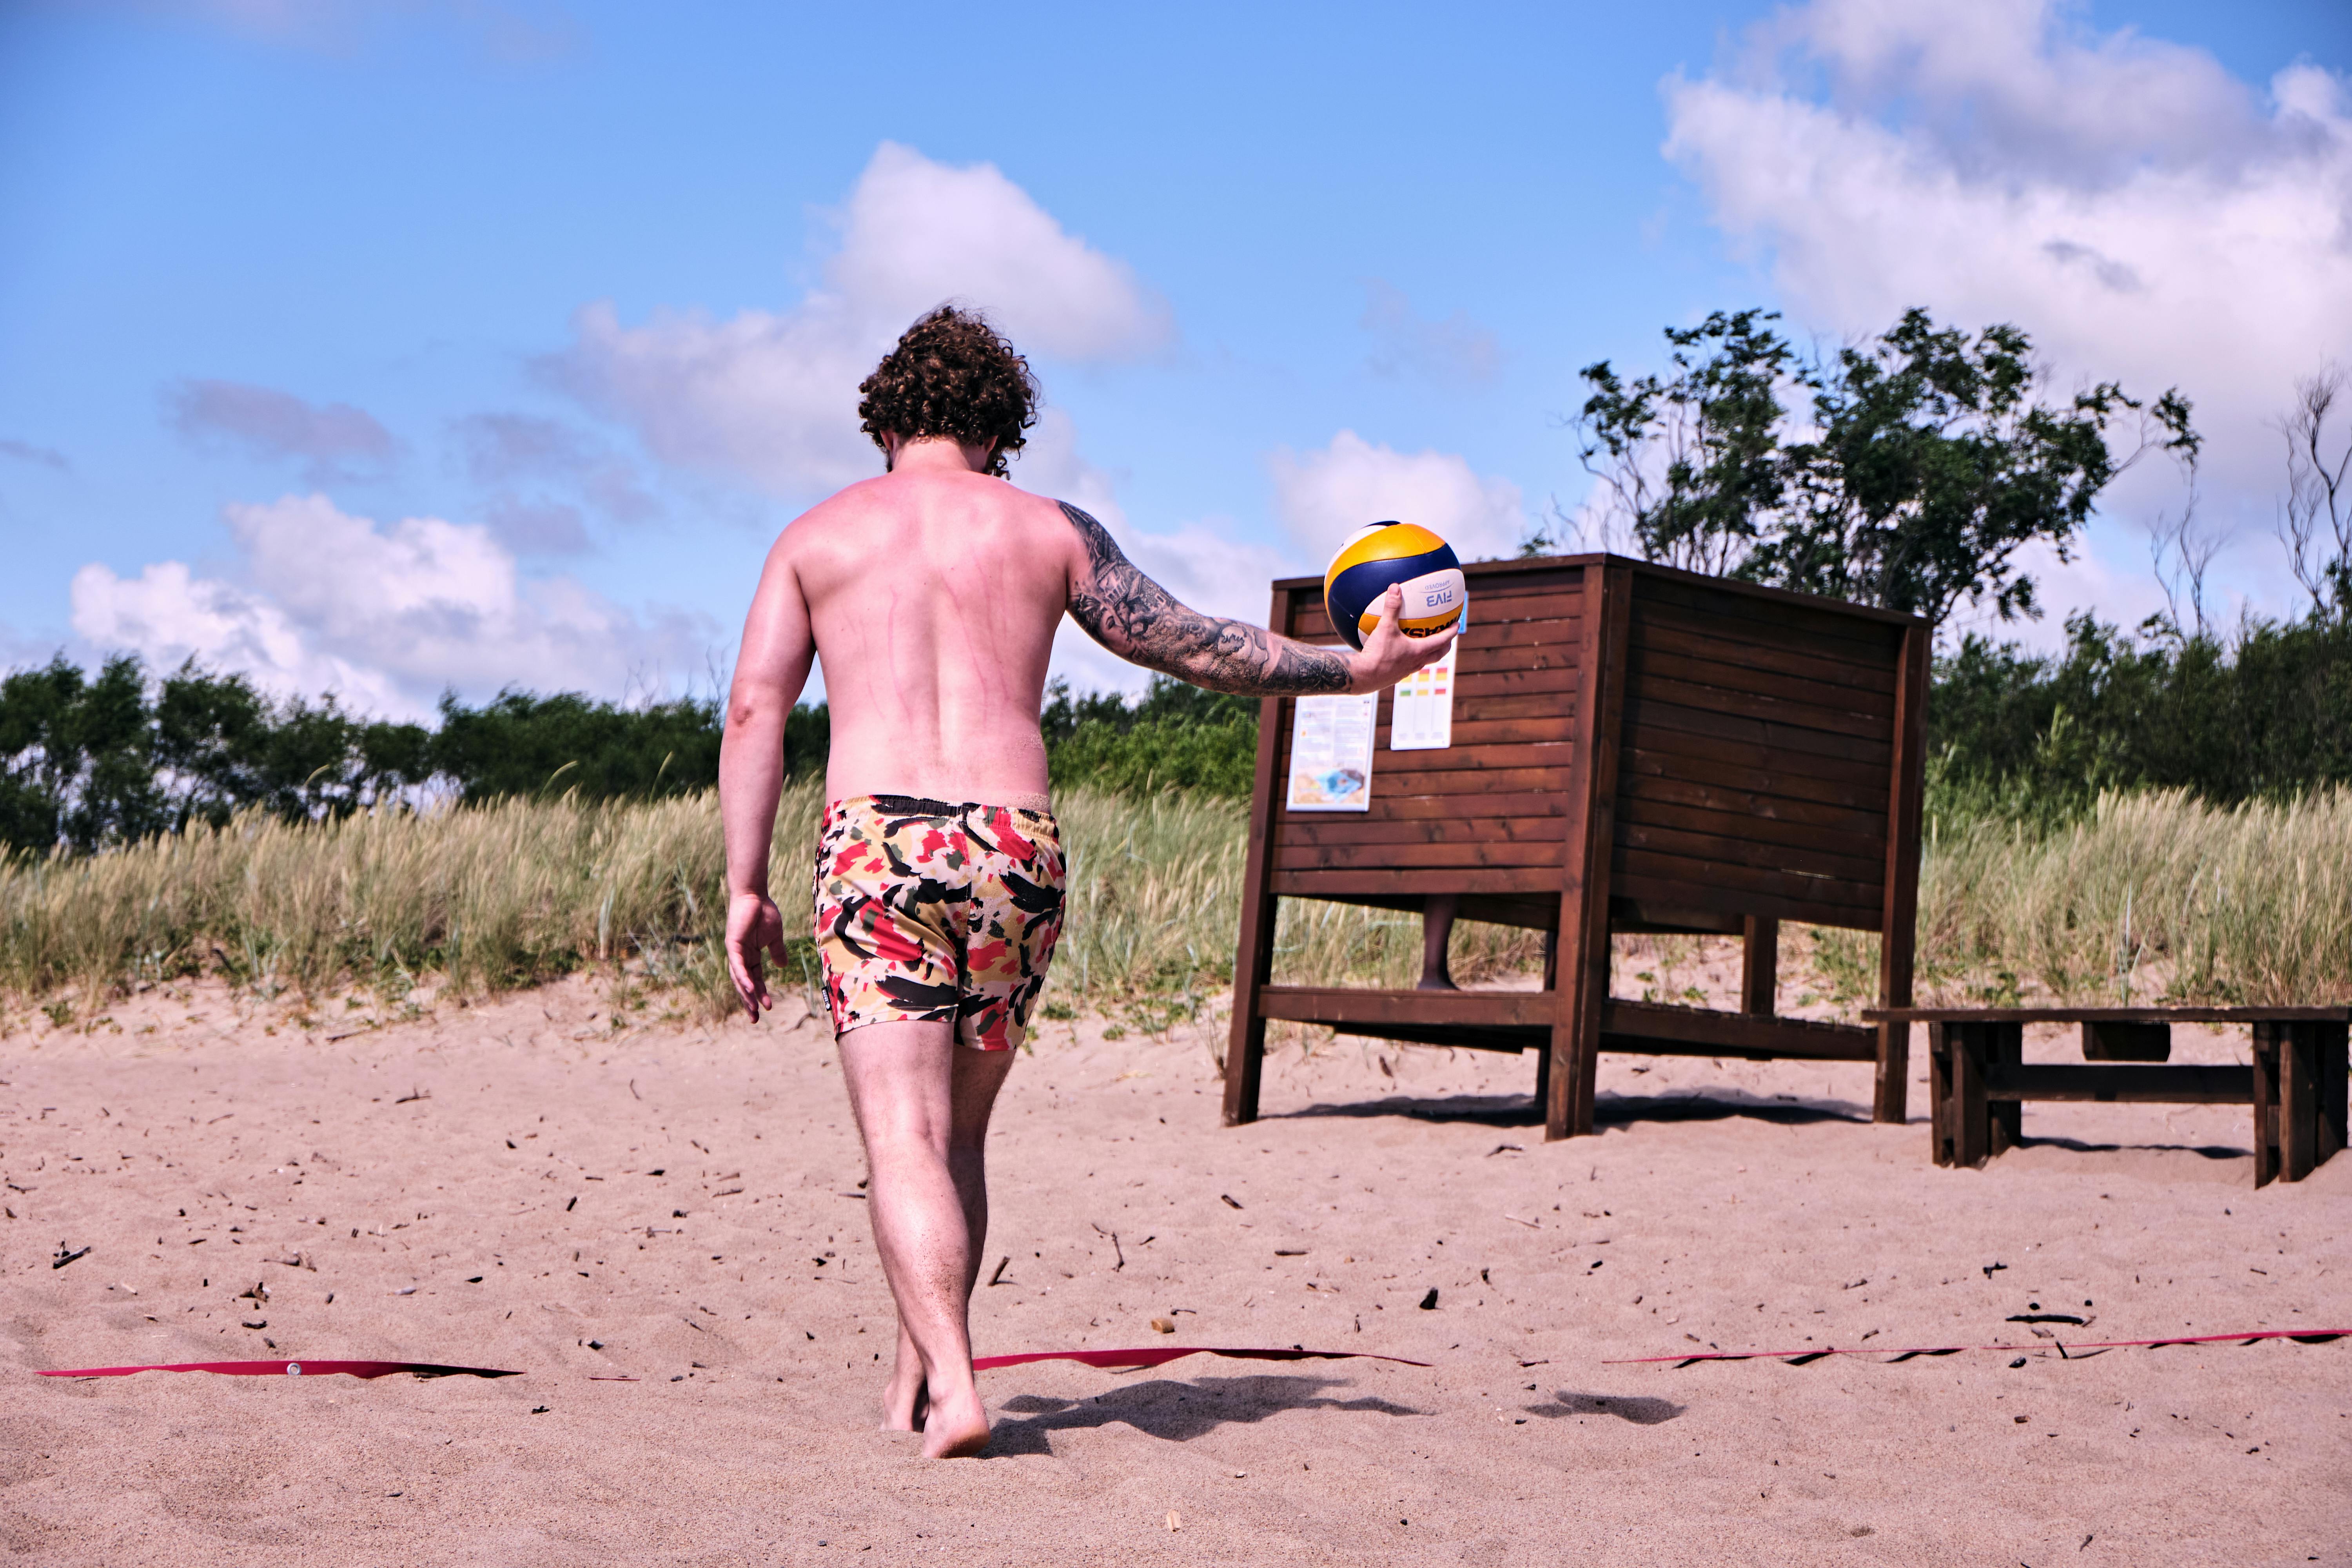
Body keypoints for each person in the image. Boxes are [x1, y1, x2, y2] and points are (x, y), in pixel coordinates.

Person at [718, 305, 1457, 1458]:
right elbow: (1190, 642)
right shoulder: (1050, 529)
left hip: (879, 846)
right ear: (1002, 426)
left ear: (885, 418)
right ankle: (918, 1371)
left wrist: (743, 882)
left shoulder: (818, 537)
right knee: (956, 1139)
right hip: (1017, 849)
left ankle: (957, 1389)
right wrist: (1350, 670)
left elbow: (757, 707)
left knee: (901, 1142)